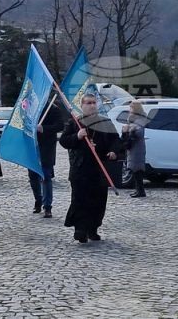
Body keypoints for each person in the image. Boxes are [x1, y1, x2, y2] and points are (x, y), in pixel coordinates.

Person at [59, 93, 120, 243]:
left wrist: (114, 152)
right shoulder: (75, 122)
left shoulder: (105, 122)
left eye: (94, 103)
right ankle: (80, 229)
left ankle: (93, 229)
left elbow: (116, 140)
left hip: (99, 169)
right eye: (88, 103)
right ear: (82, 106)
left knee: (98, 201)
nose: (92, 105)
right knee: (80, 200)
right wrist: (77, 136)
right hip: (80, 169)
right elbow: (64, 141)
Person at [31, 102, 64, 217]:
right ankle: (38, 200)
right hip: (31, 145)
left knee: (46, 176)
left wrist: (43, 128)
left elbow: (60, 125)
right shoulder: (30, 106)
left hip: (47, 147)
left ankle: (47, 206)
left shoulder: (53, 108)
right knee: (33, 175)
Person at [121, 100, 148, 198]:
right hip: (133, 148)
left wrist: (131, 130)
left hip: (137, 148)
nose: (130, 109)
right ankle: (138, 190)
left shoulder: (140, 119)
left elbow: (139, 132)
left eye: (131, 107)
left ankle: (140, 190)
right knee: (134, 169)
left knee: (137, 169)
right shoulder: (132, 119)